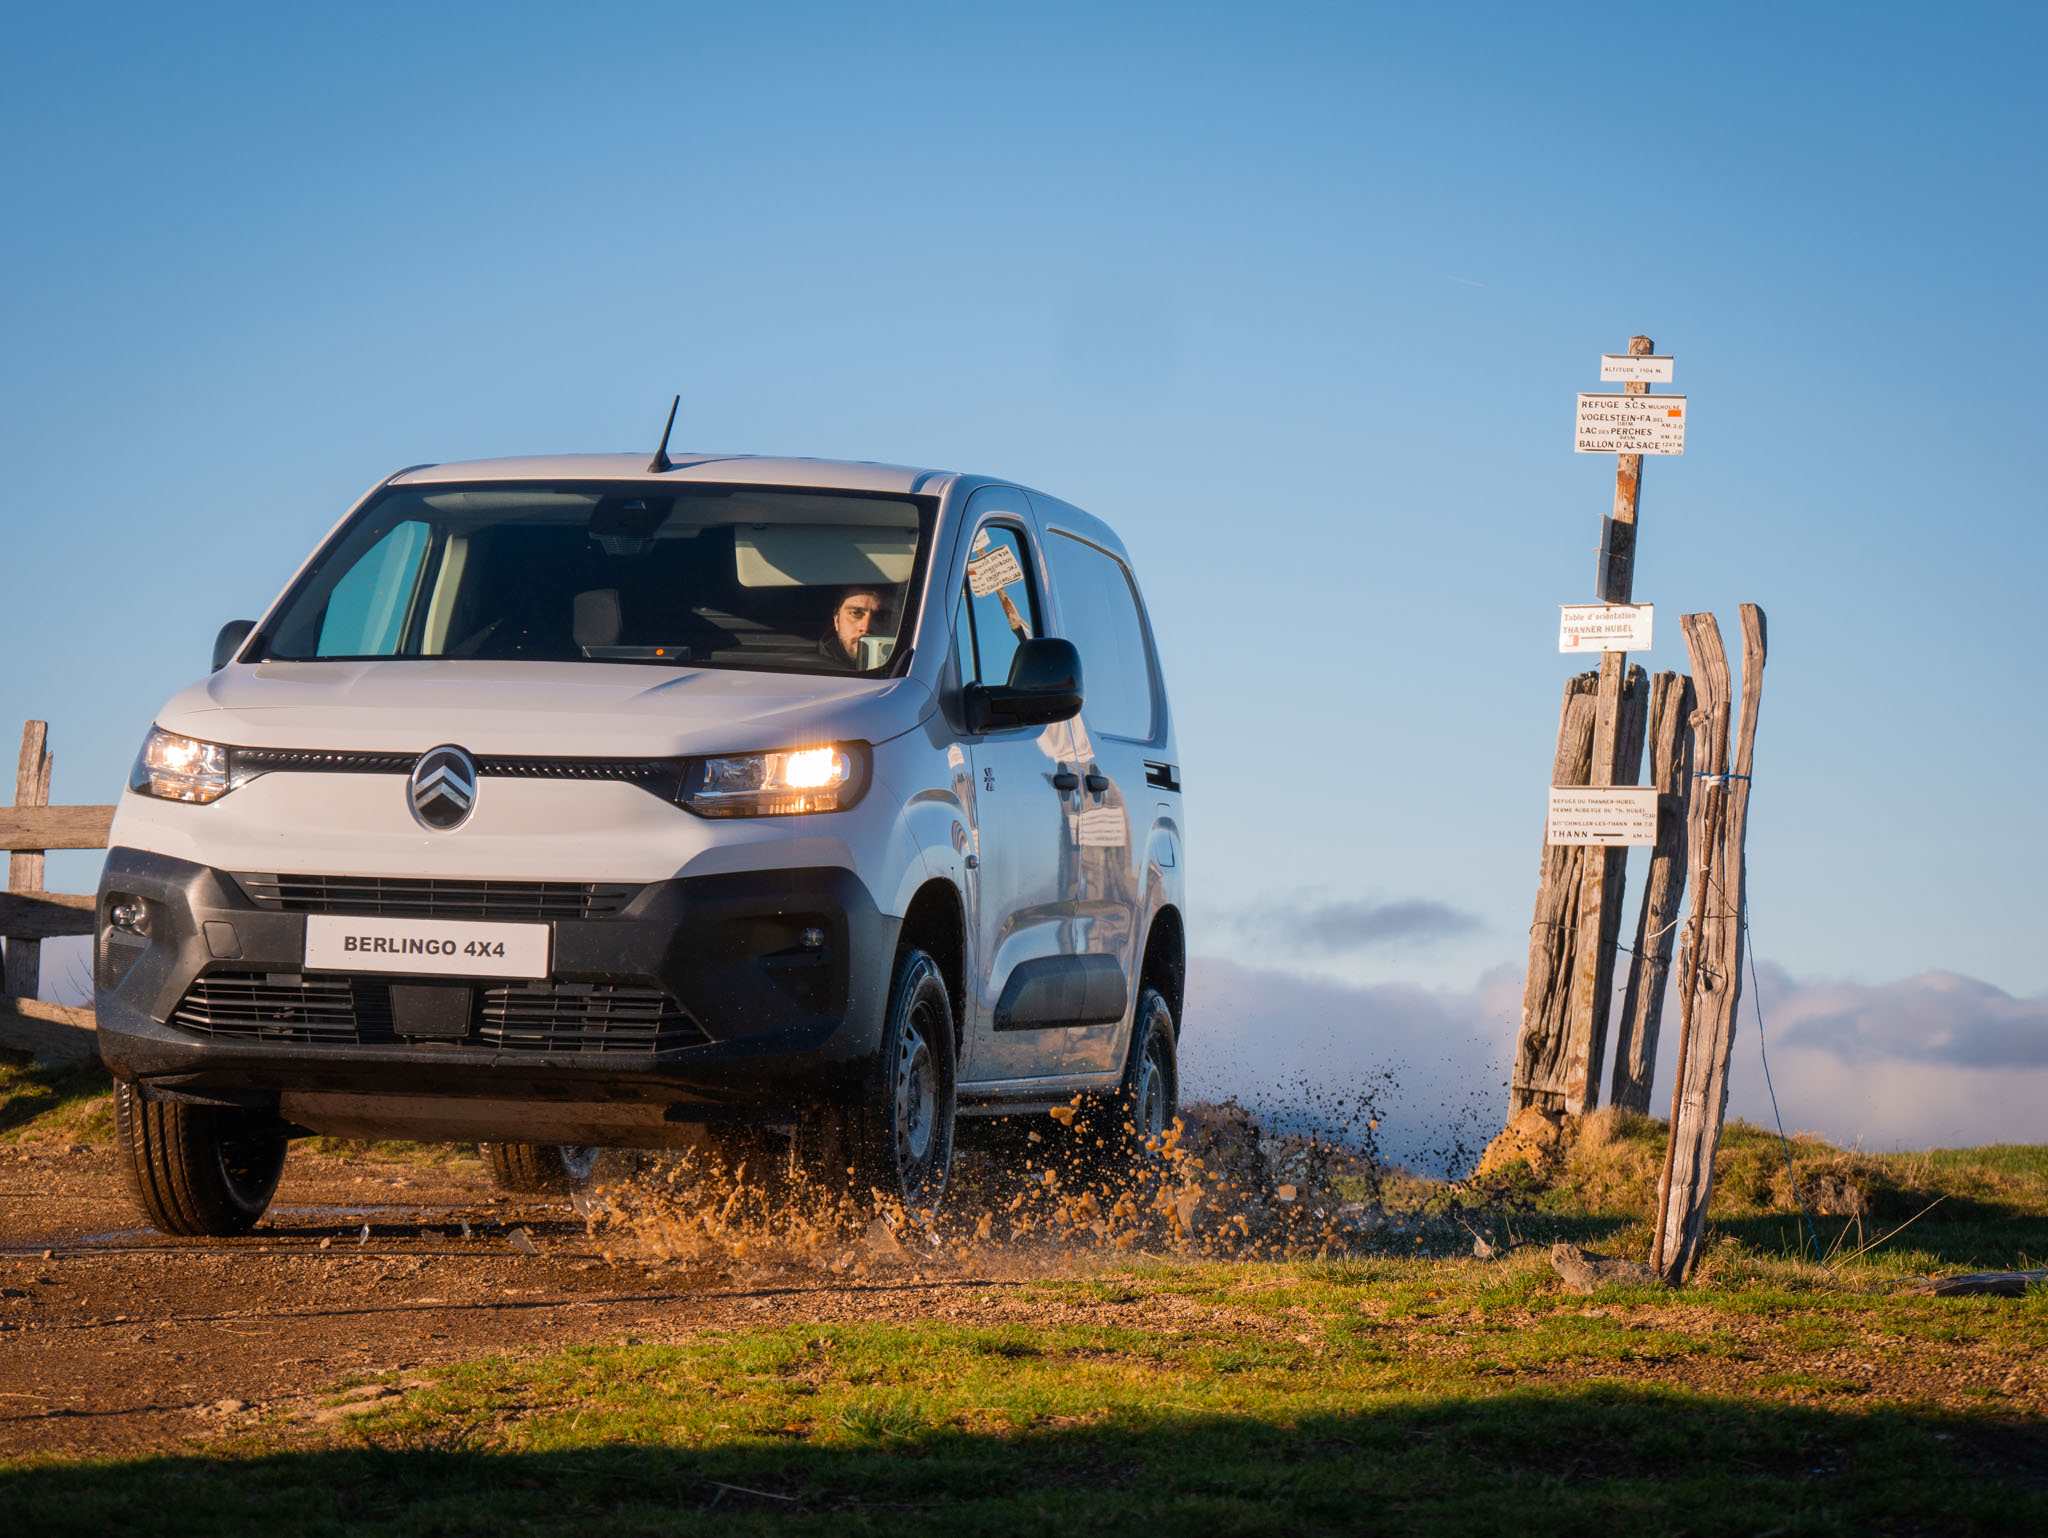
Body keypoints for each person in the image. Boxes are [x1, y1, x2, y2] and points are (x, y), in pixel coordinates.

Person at [819, 586, 889, 670]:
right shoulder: (813, 668)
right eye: (855, 613)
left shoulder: (904, 666)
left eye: (881, 616)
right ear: (837, 621)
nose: (866, 627)